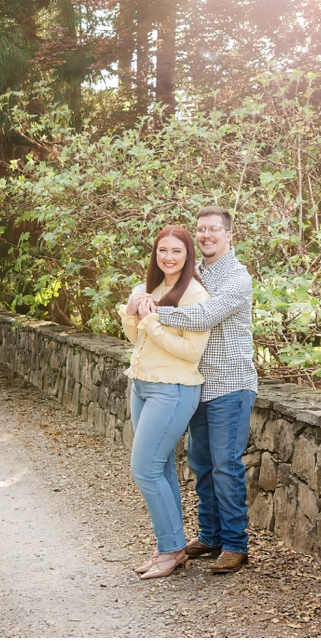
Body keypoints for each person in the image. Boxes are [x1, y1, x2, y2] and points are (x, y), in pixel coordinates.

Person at [135, 206, 257, 574]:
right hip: (196, 383)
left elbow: (203, 316)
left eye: (214, 229)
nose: (206, 235)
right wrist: (142, 297)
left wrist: (153, 312)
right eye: (201, 229)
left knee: (225, 465)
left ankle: (235, 545)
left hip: (230, 385)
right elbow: (159, 282)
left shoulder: (238, 278)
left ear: (229, 234)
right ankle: (210, 535)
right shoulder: (196, 271)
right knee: (201, 464)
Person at [118, 225, 212, 580]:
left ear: (188, 255)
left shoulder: (195, 296)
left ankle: (172, 549)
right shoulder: (152, 288)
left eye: (176, 251)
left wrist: (152, 322)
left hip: (172, 389)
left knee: (144, 468)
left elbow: (191, 353)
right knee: (161, 468)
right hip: (142, 385)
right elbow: (135, 338)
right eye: (162, 251)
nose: (168, 257)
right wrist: (132, 313)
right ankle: (168, 546)